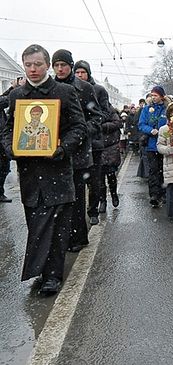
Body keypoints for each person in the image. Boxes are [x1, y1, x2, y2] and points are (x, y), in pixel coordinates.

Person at [1, 44, 87, 294]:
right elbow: (8, 129)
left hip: (57, 171)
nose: (33, 69)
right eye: (28, 64)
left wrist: (61, 148)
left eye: (37, 64)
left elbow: (79, 128)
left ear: (47, 65)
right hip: (30, 173)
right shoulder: (17, 95)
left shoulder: (64, 92)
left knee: (58, 228)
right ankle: (40, 271)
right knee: (36, 225)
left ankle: (53, 276)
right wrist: (11, 149)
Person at [52, 49, 102, 251]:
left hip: (79, 153)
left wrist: (80, 133)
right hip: (54, 152)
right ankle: (61, 239)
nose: (60, 68)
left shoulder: (85, 88)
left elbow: (97, 117)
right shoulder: (50, 88)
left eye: (63, 64)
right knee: (58, 200)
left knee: (76, 198)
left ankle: (78, 237)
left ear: (70, 66)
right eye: (56, 65)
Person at [73, 59, 108, 224]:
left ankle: (93, 210)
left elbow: (104, 113)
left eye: (83, 72)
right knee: (76, 182)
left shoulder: (98, 90)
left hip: (93, 143)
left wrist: (86, 127)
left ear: (88, 74)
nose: (80, 75)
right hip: (75, 145)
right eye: (77, 72)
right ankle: (75, 217)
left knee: (94, 180)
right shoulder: (68, 89)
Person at [139, 86, 168, 207]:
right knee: (153, 170)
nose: (153, 97)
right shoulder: (147, 109)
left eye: (155, 95)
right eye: (152, 95)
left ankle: (164, 193)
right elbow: (141, 125)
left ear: (161, 96)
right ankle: (154, 195)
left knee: (164, 170)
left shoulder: (167, 109)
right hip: (151, 145)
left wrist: (164, 132)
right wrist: (151, 130)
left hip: (164, 144)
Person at [98, 105, 122, 213]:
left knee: (111, 175)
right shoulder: (93, 109)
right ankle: (102, 201)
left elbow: (117, 124)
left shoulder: (110, 110)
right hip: (98, 147)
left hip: (111, 147)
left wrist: (103, 126)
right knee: (99, 178)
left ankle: (114, 194)